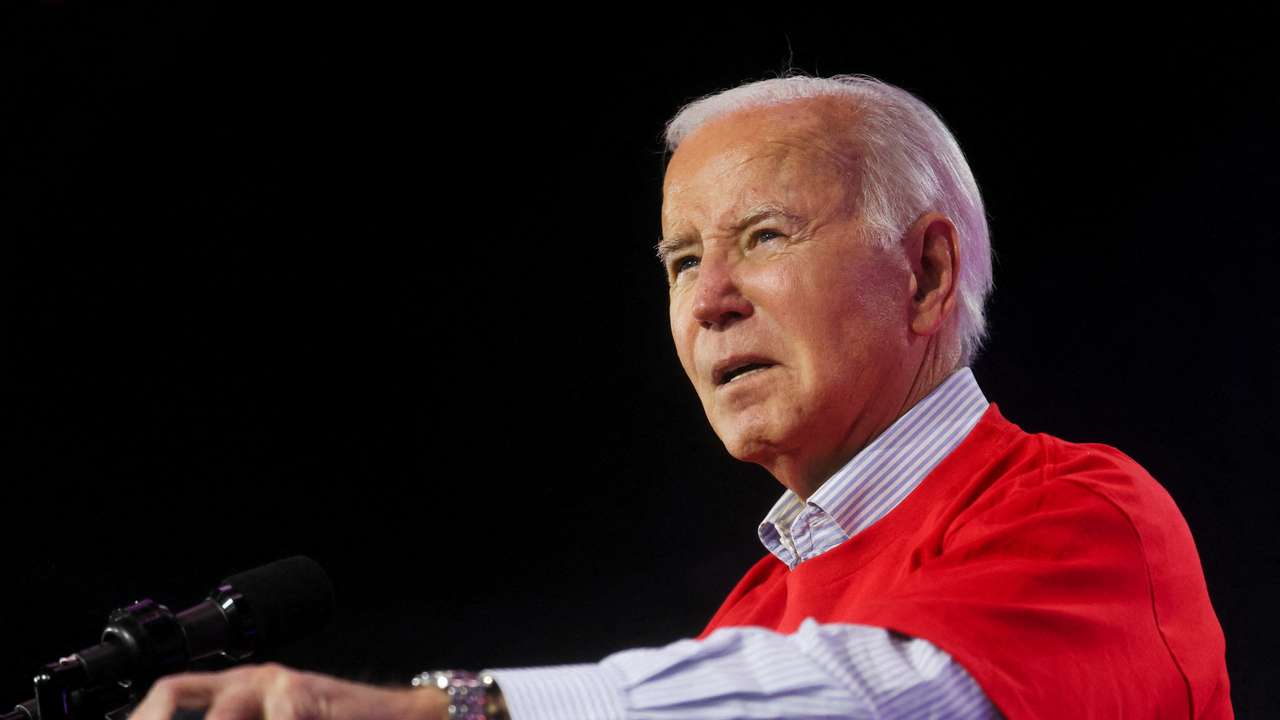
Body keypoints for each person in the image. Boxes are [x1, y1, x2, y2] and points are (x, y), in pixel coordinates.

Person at [129, 75, 1232, 719]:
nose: (706, 301)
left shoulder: (1082, 511)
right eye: (675, 259)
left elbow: (875, 699)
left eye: (762, 236)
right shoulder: (751, 612)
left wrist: (441, 708)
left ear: (928, 273)